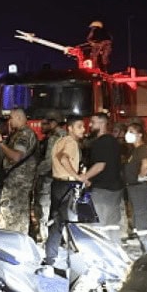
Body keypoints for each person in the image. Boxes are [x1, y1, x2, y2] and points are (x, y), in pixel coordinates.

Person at [42, 115, 89, 272]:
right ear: (70, 128)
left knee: (56, 223)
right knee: (74, 224)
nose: (83, 129)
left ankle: (50, 259)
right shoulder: (71, 142)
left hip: (57, 184)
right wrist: (78, 176)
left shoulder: (59, 141)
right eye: (79, 126)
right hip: (68, 185)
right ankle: (75, 263)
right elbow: (63, 158)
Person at [0, 108, 39, 235]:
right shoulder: (18, 134)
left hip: (18, 184)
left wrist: (1, 143)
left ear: (19, 117)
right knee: (16, 217)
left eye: (11, 118)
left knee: (12, 217)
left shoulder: (24, 134)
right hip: (16, 183)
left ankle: (11, 241)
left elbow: (16, 156)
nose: (9, 121)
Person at [84, 112, 124, 244]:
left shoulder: (102, 142)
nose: (90, 125)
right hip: (115, 189)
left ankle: (100, 252)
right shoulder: (112, 141)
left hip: (102, 190)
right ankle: (115, 250)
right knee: (112, 225)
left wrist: (84, 177)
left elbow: (100, 165)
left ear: (102, 123)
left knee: (98, 227)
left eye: (93, 122)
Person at [122, 122, 147, 254]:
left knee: (144, 226)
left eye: (132, 131)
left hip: (140, 189)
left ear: (140, 134)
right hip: (134, 189)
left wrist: (141, 177)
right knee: (137, 222)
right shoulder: (135, 150)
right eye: (128, 131)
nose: (128, 134)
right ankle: (143, 253)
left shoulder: (142, 149)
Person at [34, 110, 66, 243]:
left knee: (44, 209)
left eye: (45, 123)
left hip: (49, 178)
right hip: (64, 180)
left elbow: (49, 162)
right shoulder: (68, 137)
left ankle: (46, 238)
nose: (42, 126)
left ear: (53, 123)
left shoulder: (54, 139)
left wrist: (36, 171)